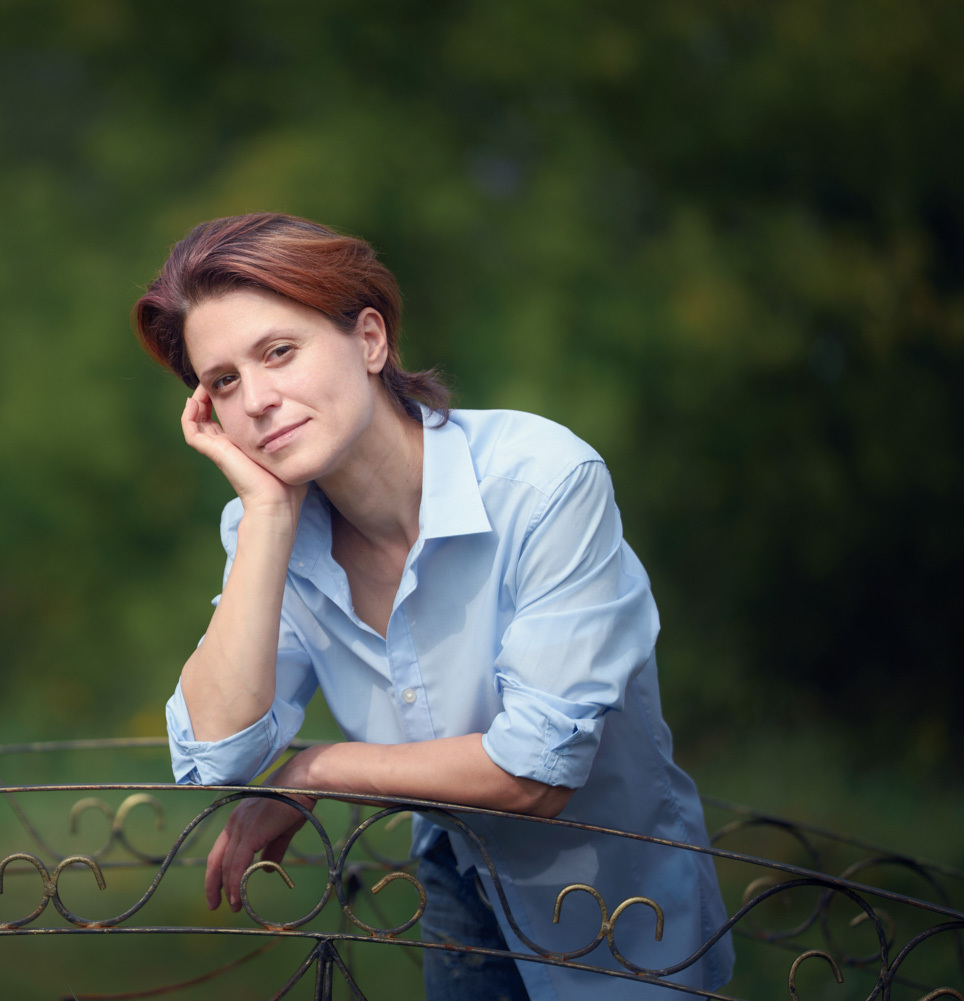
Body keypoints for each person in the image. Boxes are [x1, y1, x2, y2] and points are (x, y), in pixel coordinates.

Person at [131, 213, 734, 1000]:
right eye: (223, 382)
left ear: (370, 339)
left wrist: (318, 771)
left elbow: (536, 771)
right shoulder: (267, 532)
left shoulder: (545, 483)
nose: (258, 400)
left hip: (617, 914)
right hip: (456, 881)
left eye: (278, 352)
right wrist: (268, 518)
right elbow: (217, 757)